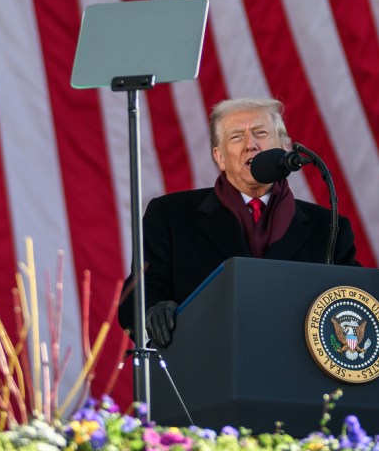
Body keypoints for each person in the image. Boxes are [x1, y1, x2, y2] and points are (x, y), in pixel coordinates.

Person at [118, 97, 359, 346]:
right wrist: (152, 310)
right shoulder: (170, 215)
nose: (250, 145)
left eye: (260, 133)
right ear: (220, 157)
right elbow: (136, 294)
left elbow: (359, 301)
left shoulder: (328, 227)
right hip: (205, 368)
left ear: (284, 148)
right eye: (236, 137)